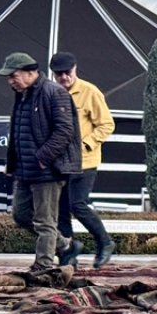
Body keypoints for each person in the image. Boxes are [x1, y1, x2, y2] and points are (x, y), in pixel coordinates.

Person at [0, 52, 83, 272]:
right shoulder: (23, 94)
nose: (10, 81)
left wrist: (43, 158)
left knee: (45, 221)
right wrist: (12, 163)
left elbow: (65, 131)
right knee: (21, 215)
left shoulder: (54, 93)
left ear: (30, 72)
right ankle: (65, 246)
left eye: (13, 76)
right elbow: (18, 132)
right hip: (25, 171)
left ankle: (43, 265)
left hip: (47, 171)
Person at [50, 52, 115, 269]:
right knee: (61, 209)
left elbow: (107, 124)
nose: (64, 78)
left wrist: (86, 143)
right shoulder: (51, 93)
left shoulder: (90, 92)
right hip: (59, 162)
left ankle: (105, 242)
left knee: (78, 204)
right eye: (59, 74)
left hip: (85, 161)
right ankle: (68, 256)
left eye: (67, 73)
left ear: (75, 69)